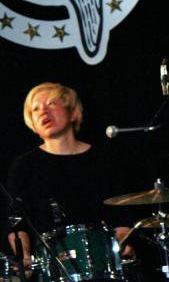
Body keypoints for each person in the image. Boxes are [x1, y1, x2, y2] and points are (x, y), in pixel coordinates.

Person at [3, 82, 135, 279]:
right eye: (35, 109)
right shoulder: (24, 166)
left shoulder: (104, 160)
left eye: (51, 103)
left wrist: (120, 246)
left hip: (104, 268)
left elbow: (122, 217)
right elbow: (16, 223)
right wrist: (25, 257)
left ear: (73, 113)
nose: (43, 112)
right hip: (51, 271)